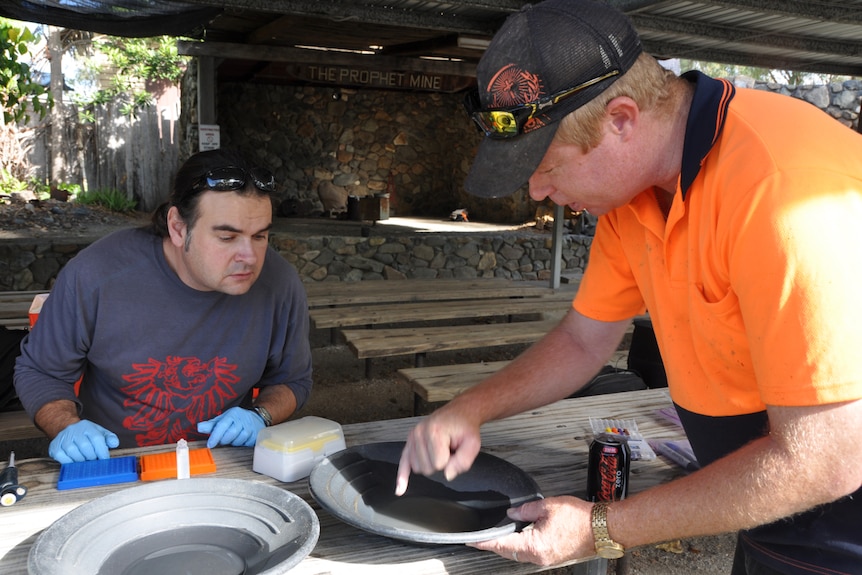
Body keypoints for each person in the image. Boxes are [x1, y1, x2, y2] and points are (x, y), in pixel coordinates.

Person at [395, 1, 862, 574]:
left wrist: (599, 528)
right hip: (766, 501)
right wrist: (468, 410)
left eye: (547, 164)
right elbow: (584, 341)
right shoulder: (632, 198)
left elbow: (825, 461)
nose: (537, 192)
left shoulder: (784, 195)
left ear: (621, 119)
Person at [14, 149, 313, 464]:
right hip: (114, 463)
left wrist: (260, 415)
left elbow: (293, 379)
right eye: (227, 237)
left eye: (260, 236)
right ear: (178, 227)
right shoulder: (96, 274)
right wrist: (66, 426)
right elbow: (40, 370)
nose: (249, 257)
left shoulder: (279, 283)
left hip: (221, 462)